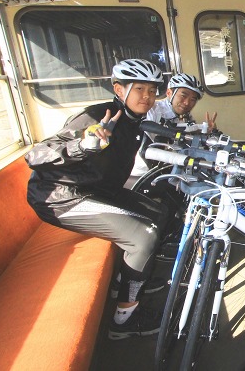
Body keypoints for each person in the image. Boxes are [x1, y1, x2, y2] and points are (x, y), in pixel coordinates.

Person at [25, 58, 169, 340]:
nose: (148, 97)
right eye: (140, 89)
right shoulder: (95, 116)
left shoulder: (135, 121)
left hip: (99, 190)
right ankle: (124, 319)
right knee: (144, 237)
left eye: (152, 91)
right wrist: (82, 145)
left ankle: (125, 281)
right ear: (118, 89)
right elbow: (35, 155)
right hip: (61, 197)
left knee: (160, 213)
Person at [128, 72, 217, 181]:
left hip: (165, 169)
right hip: (140, 174)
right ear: (169, 93)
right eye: (183, 96)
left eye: (193, 99)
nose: (187, 102)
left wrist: (206, 133)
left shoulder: (185, 116)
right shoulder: (153, 110)